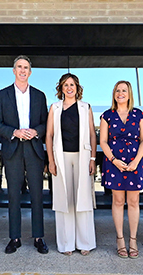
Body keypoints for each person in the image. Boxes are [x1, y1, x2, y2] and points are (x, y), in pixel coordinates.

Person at [0, 55, 49, 254]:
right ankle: (14, 238)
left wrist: (37, 131)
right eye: (19, 67)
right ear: (14, 71)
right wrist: (14, 132)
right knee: (14, 196)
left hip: (33, 149)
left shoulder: (40, 96)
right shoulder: (2, 95)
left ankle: (39, 237)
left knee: (36, 196)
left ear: (30, 72)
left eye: (26, 67)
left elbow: (45, 123)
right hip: (13, 148)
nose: (23, 70)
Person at [45, 73, 97, 256]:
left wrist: (92, 159)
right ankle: (66, 244)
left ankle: (85, 243)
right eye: (66, 85)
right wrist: (51, 161)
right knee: (64, 200)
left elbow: (92, 134)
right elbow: (49, 135)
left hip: (82, 157)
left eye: (72, 85)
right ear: (61, 88)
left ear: (77, 87)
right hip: (61, 158)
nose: (69, 88)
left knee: (83, 199)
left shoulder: (85, 107)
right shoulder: (55, 108)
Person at [100, 80, 143, 259]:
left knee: (134, 201)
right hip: (115, 163)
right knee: (118, 200)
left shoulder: (139, 114)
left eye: (124, 90)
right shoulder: (107, 115)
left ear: (129, 94)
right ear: (114, 94)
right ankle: (120, 239)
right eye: (117, 90)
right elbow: (103, 141)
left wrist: (136, 161)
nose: (120, 93)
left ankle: (133, 240)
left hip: (134, 162)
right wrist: (113, 160)